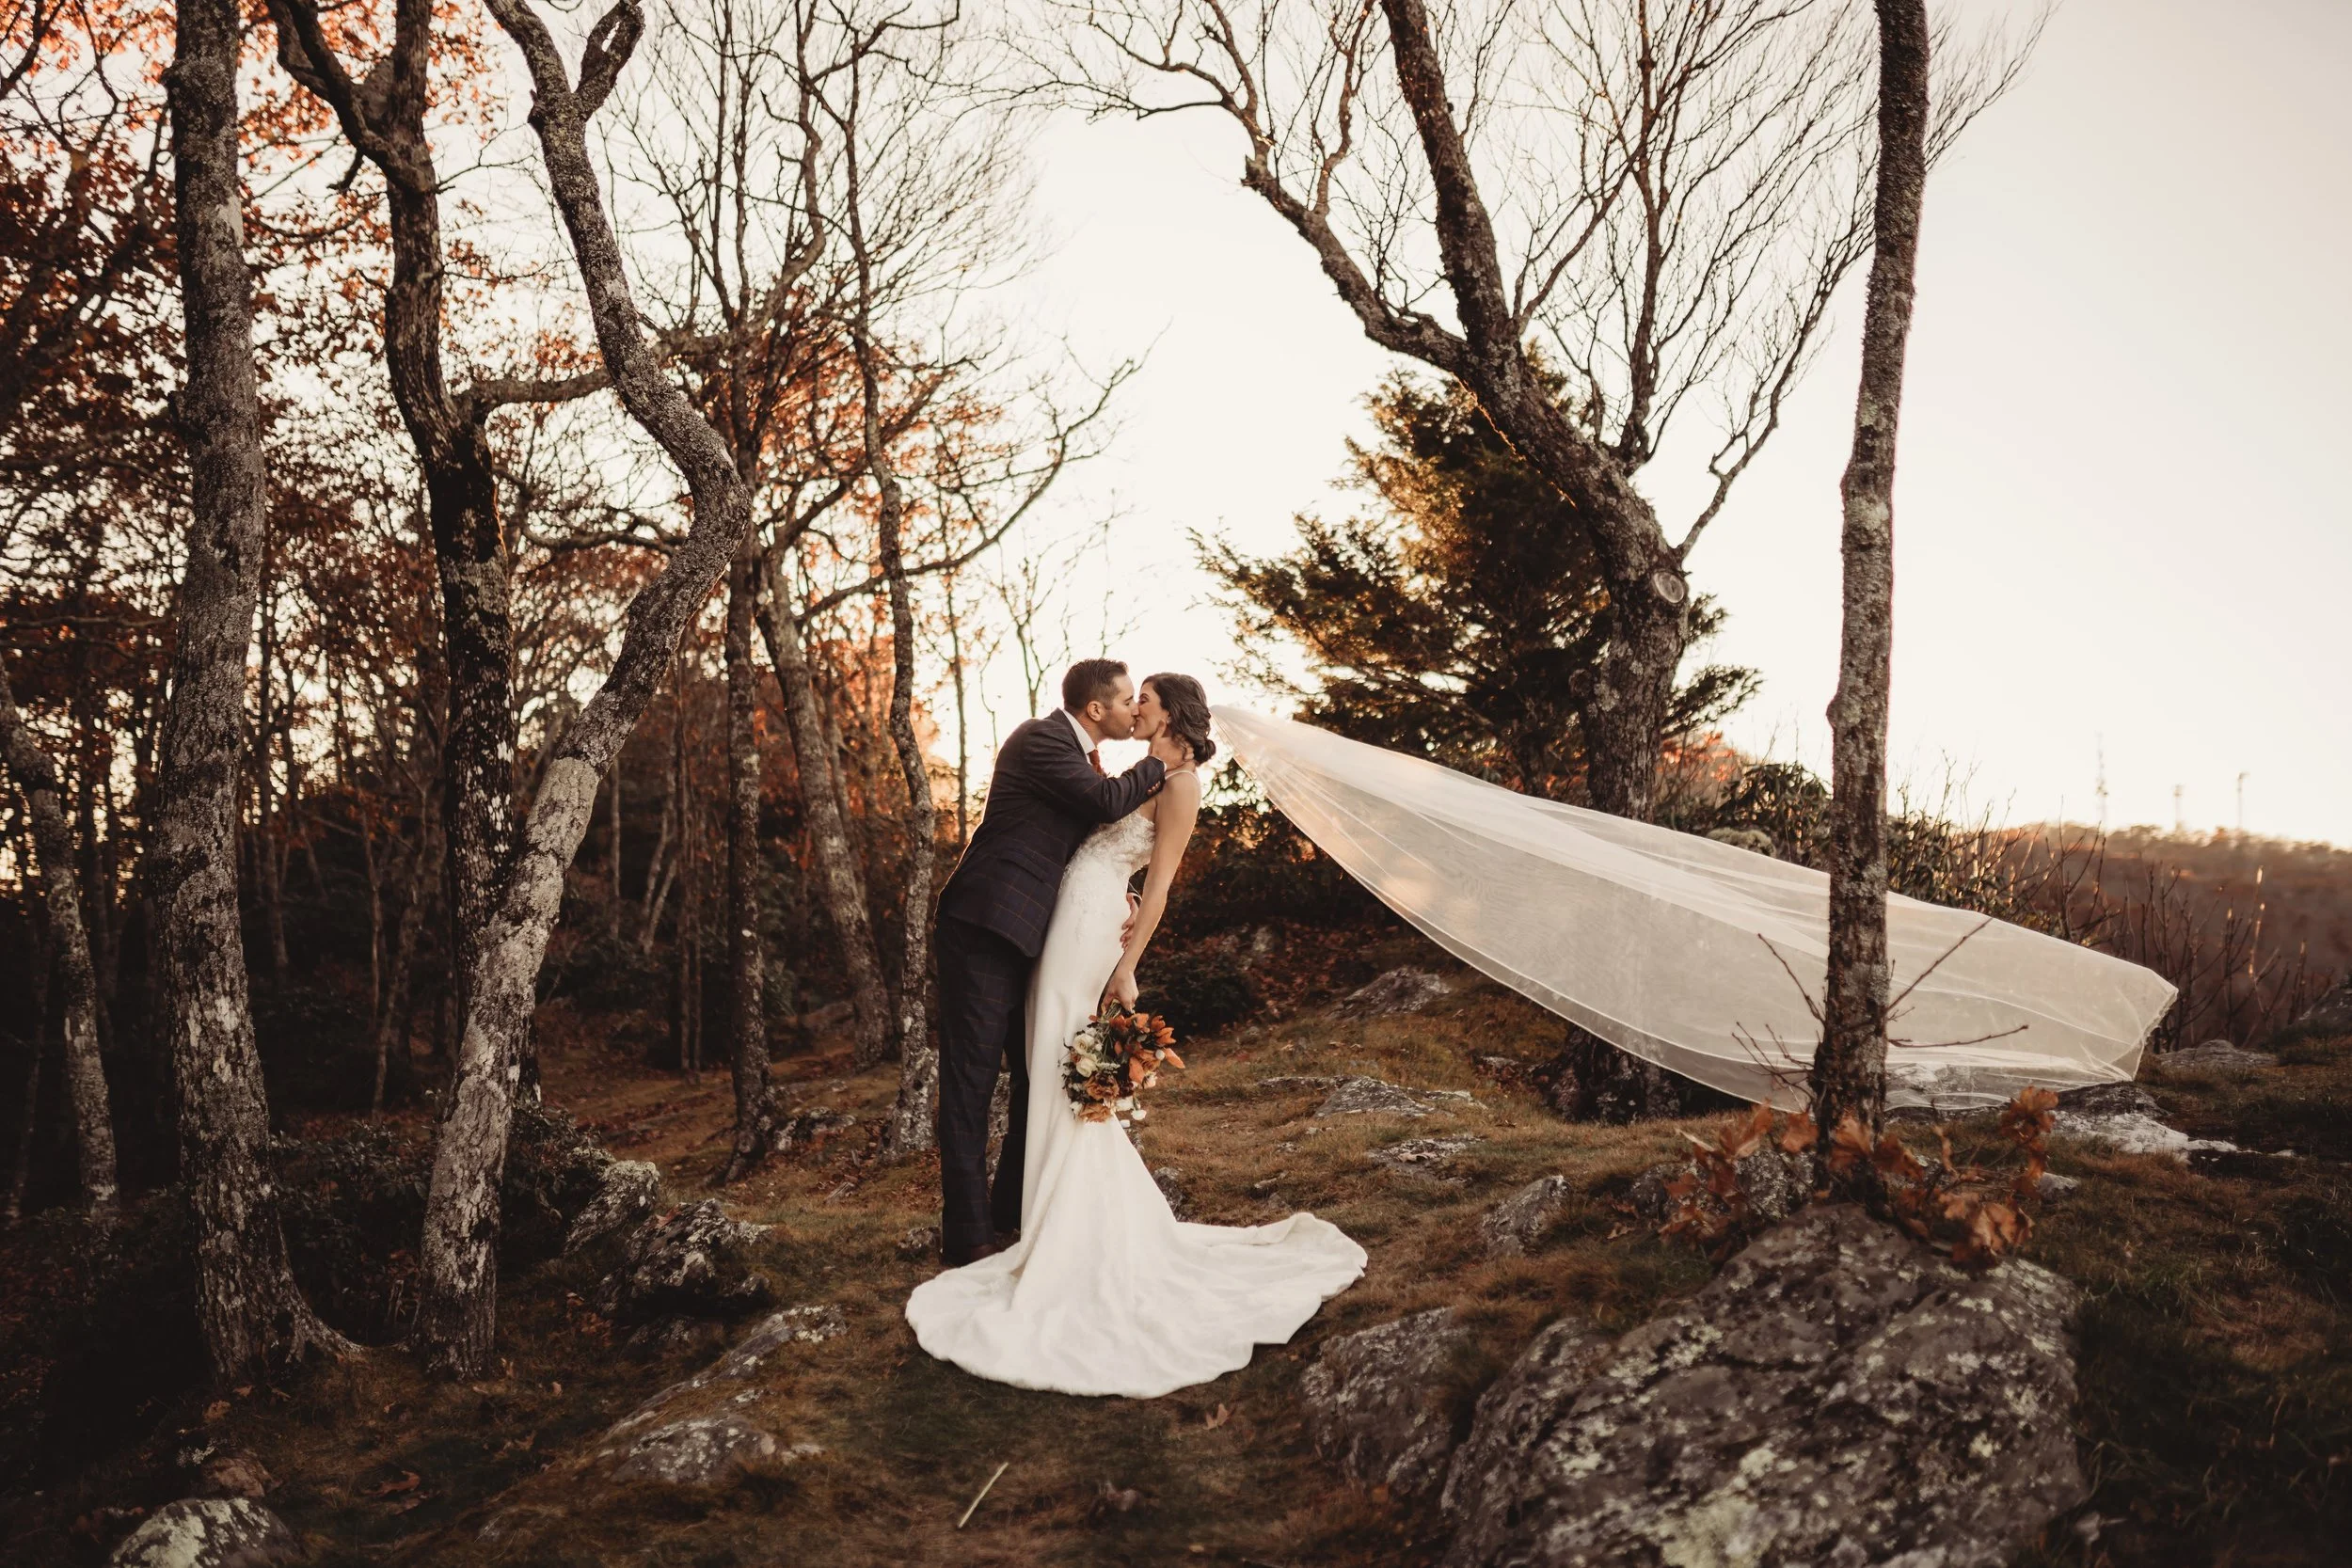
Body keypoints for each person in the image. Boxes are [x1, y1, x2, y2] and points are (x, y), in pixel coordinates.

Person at [908, 672, 1364, 1398]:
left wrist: (1128, 965)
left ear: (1169, 712)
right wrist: (1145, 792)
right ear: (1099, 707)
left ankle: (1044, 1218)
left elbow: (1160, 880)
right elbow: (1096, 825)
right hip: (1033, 921)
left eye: (1144, 699)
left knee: (1049, 1062)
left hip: (1085, 933)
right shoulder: (1080, 755)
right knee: (1035, 1064)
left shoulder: (1175, 783)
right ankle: (1015, 1218)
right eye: (1129, 698)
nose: (1134, 707)